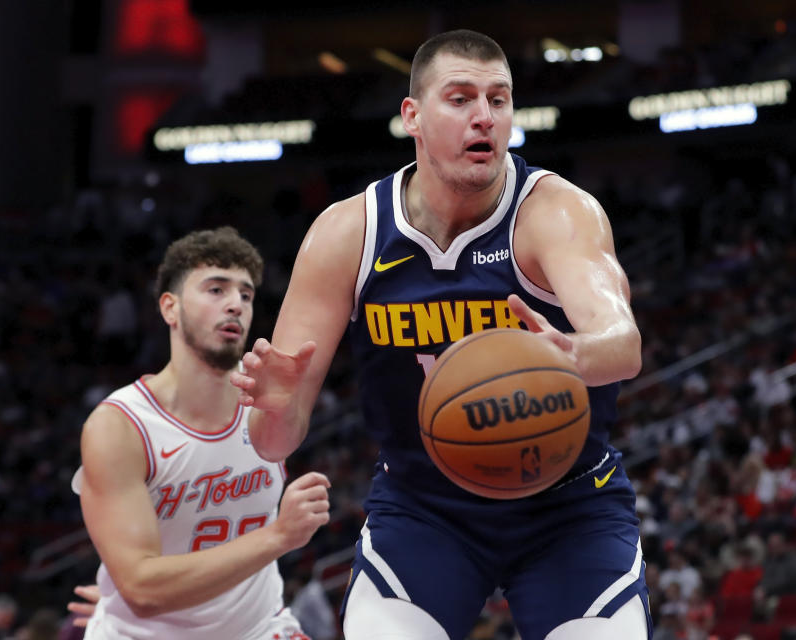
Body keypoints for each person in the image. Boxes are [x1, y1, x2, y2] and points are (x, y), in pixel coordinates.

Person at [231, 29, 649, 639]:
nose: (484, 117)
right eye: (460, 99)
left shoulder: (555, 212)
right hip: (426, 508)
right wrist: (272, 407)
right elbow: (274, 443)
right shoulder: (348, 233)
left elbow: (624, 343)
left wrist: (574, 353)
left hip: (569, 505)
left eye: (499, 100)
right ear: (413, 117)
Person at [71, 227, 330, 639]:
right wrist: (278, 536)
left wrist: (288, 406)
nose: (235, 305)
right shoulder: (119, 426)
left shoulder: (264, 393)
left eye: (246, 295)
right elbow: (141, 588)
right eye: (216, 290)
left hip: (258, 628)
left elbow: (284, 439)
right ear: (170, 308)